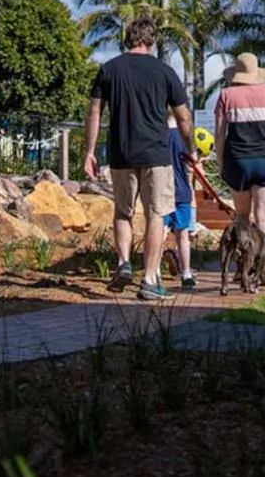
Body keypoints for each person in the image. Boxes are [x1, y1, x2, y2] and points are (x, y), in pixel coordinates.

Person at [84, 16, 197, 301]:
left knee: (123, 212)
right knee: (155, 215)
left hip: (121, 152)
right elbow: (183, 116)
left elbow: (94, 112)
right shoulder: (165, 71)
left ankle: (123, 262)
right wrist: (191, 148)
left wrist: (89, 151)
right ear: (152, 41)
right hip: (156, 154)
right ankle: (148, 278)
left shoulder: (109, 69)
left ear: (128, 39)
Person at [214, 52, 265, 250]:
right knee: (264, 218)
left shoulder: (226, 95)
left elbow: (220, 135)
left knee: (242, 217)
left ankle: (242, 265)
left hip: (238, 161)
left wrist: (221, 163)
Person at [163, 118, 197, 289]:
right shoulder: (184, 138)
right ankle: (186, 273)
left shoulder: (158, 135)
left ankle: (152, 272)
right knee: (183, 235)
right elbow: (191, 165)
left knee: (159, 233)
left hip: (161, 190)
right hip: (182, 191)